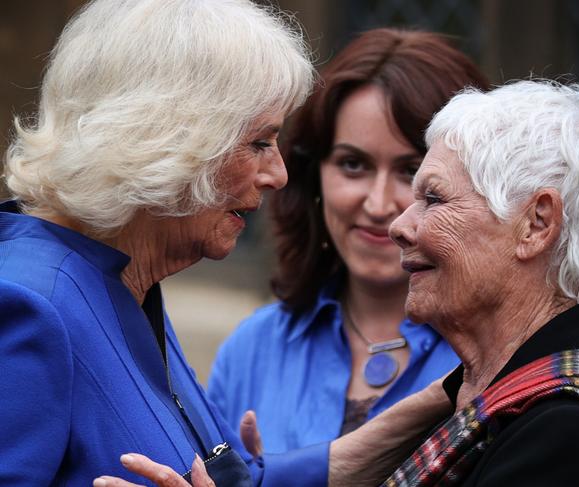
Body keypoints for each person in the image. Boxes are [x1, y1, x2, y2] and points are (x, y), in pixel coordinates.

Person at [0, 1, 452, 486]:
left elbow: (235, 479)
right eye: (259, 142)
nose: (278, 174)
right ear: (164, 140)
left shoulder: (124, 283)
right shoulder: (31, 306)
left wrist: (448, 398)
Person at [207, 28, 489, 452]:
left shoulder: (497, 357)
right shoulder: (252, 350)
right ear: (312, 175)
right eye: (353, 164)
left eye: (412, 171)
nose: (378, 205)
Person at [384, 79, 579, 486]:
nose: (399, 226)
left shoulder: (566, 434)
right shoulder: (487, 402)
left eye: (434, 199)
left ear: (536, 225)